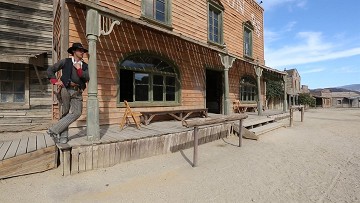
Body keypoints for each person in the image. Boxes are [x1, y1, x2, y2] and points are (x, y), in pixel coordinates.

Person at [47, 43, 90, 144]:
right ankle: (64, 136)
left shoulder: (85, 66)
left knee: (77, 112)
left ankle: (53, 130)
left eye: (83, 51)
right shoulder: (65, 61)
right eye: (80, 50)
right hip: (65, 89)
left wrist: (79, 69)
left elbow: (87, 78)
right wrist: (54, 81)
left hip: (78, 91)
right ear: (74, 51)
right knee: (65, 112)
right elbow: (50, 70)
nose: (82, 52)